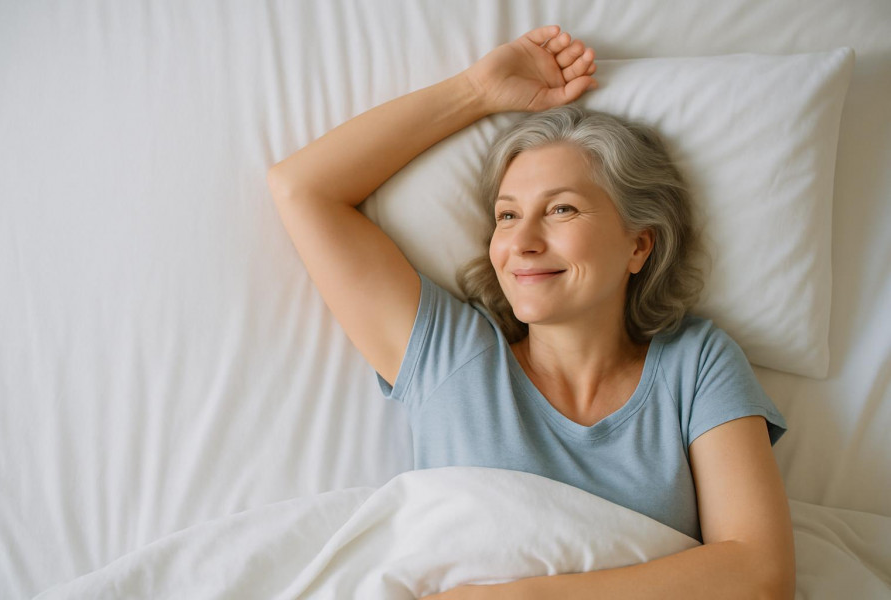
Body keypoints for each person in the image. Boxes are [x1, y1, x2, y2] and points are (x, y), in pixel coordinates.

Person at [267, 25, 795, 599]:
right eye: (507, 215)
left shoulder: (695, 364)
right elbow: (303, 188)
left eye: (561, 209)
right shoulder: (450, 354)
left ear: (639, 244)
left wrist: (518, 596)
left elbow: (759, 574)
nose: (521, 243)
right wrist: (476, 91)